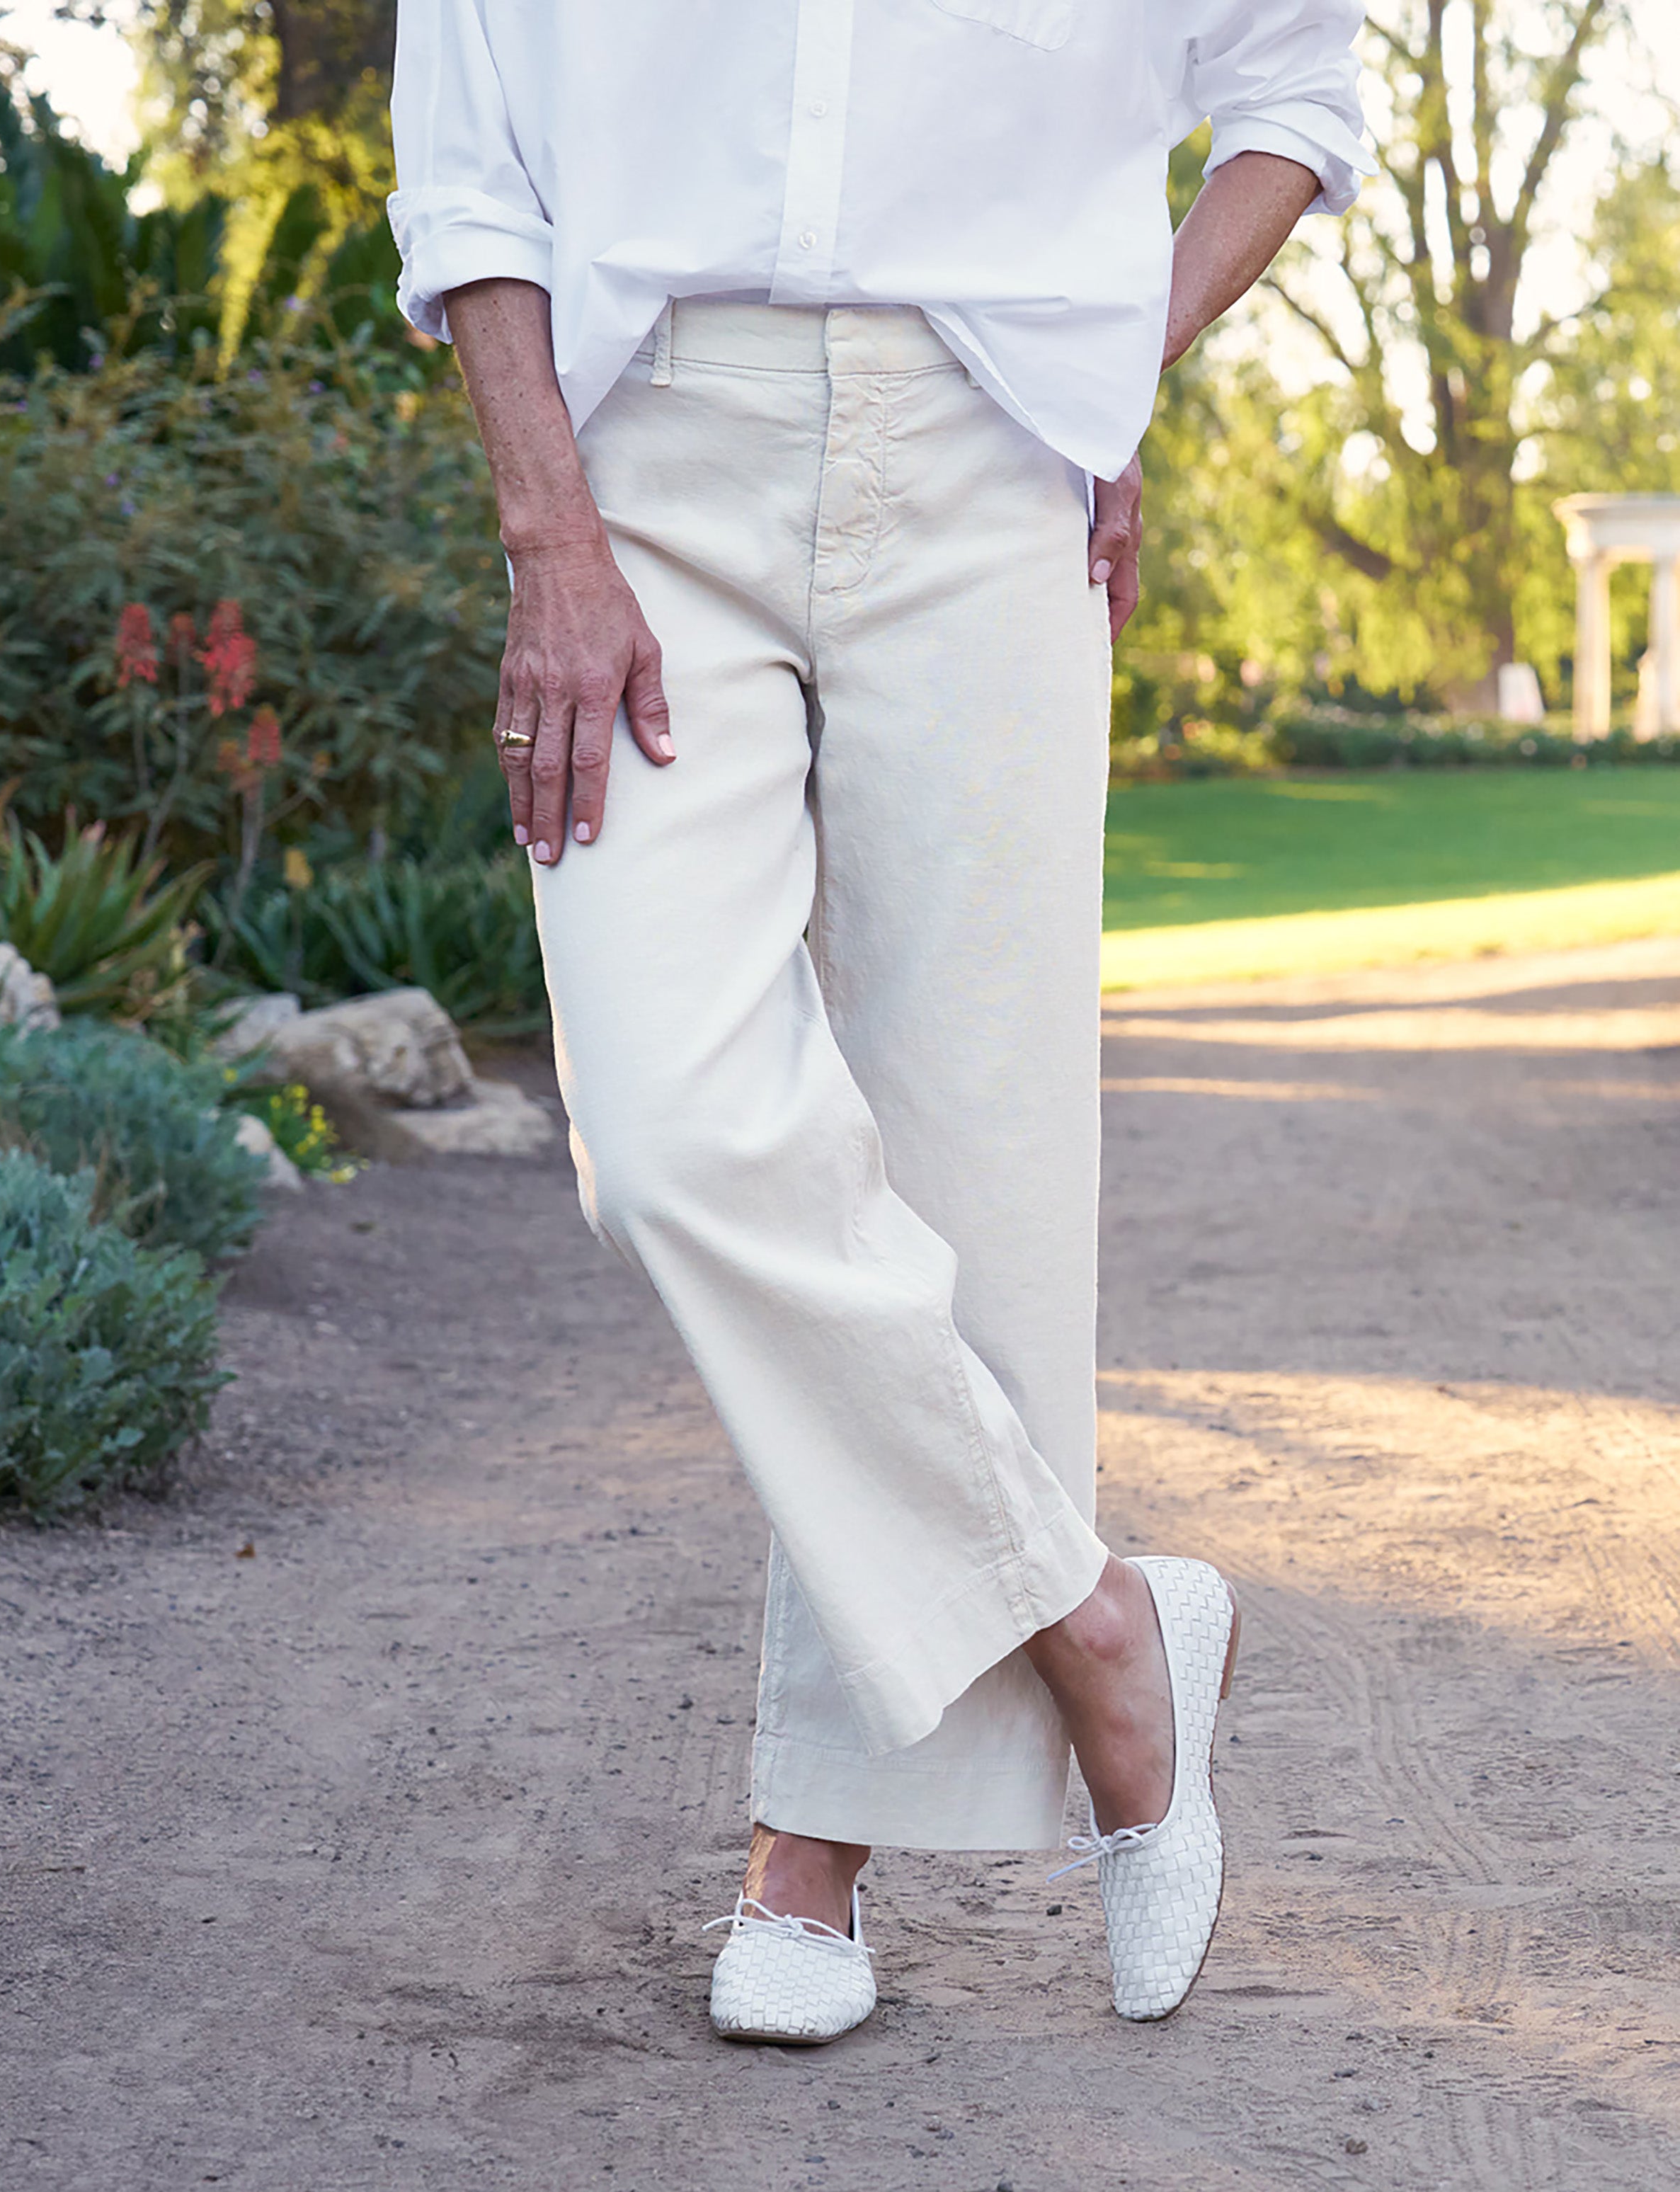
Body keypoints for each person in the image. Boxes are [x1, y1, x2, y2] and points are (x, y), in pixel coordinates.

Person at [388, 0, 1368, 2043]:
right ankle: (1103, 1626)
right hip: (638, 462)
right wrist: (546, 537)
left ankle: (806, 1866)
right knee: (669, 1138)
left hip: (990, 449)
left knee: (972, 1160)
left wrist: (1116, 383)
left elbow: (1290, 103)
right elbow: (469, 163)